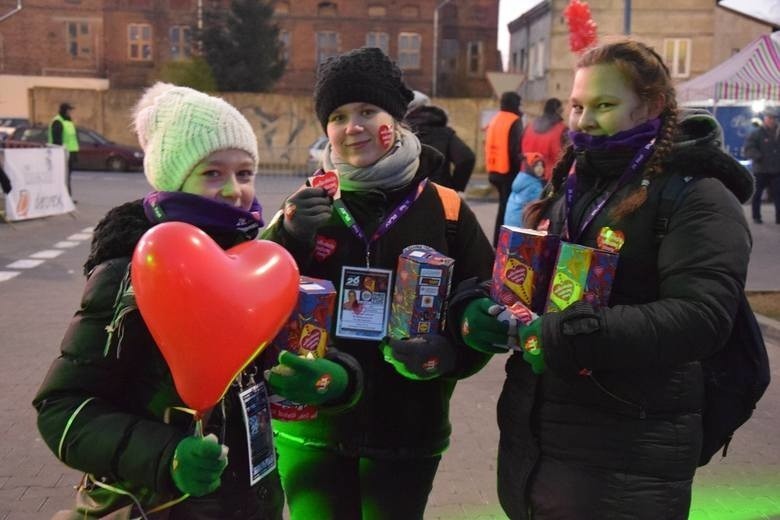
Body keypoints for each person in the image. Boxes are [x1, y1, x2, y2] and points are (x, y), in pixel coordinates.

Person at [33, 83, 362, 520]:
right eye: (212, 174)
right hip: (158, 506)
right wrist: (168, 456)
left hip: (254, 502)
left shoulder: (261, 267)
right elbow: (62, 409)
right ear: (174, 180)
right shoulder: (130, 273)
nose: (233, 190)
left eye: (244, 173)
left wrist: (336, 379)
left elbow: (299, 352)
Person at [461, 39, 753, 519]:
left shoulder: (696, 196)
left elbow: (702, 317)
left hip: (628, 451)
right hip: (541, 447)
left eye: (604, 105)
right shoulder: (574, 183)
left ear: (652, 106)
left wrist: (570, 333)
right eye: (577, 106)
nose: (583, 120)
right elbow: (544, 288)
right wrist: (488, 308)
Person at [261, 47, 495, 520]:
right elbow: (258, 298)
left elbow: (485, 297)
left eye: (368, 111)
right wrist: (289, 236)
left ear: (396, 117)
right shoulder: (305, 203)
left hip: (408, 428)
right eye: (339, 116)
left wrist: (450, 352)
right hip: (315, 429)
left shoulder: (446, 209)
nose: (353, 127)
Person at [405, 90, 476, 192]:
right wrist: (454, 186)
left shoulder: (400, 132)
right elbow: (466, 158)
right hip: (440, 194)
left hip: (405, 196)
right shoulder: (444, 133)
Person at [485, 91, 523, 246]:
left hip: (493, 169)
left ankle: (497, 240)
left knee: (502, 206)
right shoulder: (514, 120)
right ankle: (502, 242)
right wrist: (520, 169)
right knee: (507, 209)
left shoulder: (496, 118)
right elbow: (515, 149)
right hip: (508, 171)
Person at [743, 105, 780, 224]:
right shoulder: (756, 133)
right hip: (761, 170)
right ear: (765, 119)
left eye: (774, 118)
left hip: (777, 170)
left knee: (778, 195)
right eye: (769, 118)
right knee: (757, 194)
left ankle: (779, 217)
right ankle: (756, 216)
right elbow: (749, 149)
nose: (772, 120)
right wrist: (759, 156)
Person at [520, 97, 568, 182]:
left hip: (526, 176)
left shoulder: (529, 127)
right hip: (548, 179)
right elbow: (565, 158)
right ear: (558, 111)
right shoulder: (562, 130)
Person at [503, 152, 545, 228]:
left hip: (510, 223)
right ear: (530, 167)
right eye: (536, 165)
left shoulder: (521, 179)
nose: (540, 168)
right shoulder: (534, 185)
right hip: (521, 224)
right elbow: (539, 206)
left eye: (542, 165)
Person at [48, 102, 80, 198]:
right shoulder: (58, 121)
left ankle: (67, 197)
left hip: (70, 153)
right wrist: (60, 153)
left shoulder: (68, 121)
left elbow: (72, 139)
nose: (71, 112)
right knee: (62, 177)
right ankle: (63, 197)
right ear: (64, 110)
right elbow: (56, 140)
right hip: (62, 154)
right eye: (69, 110)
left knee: (67, 177)